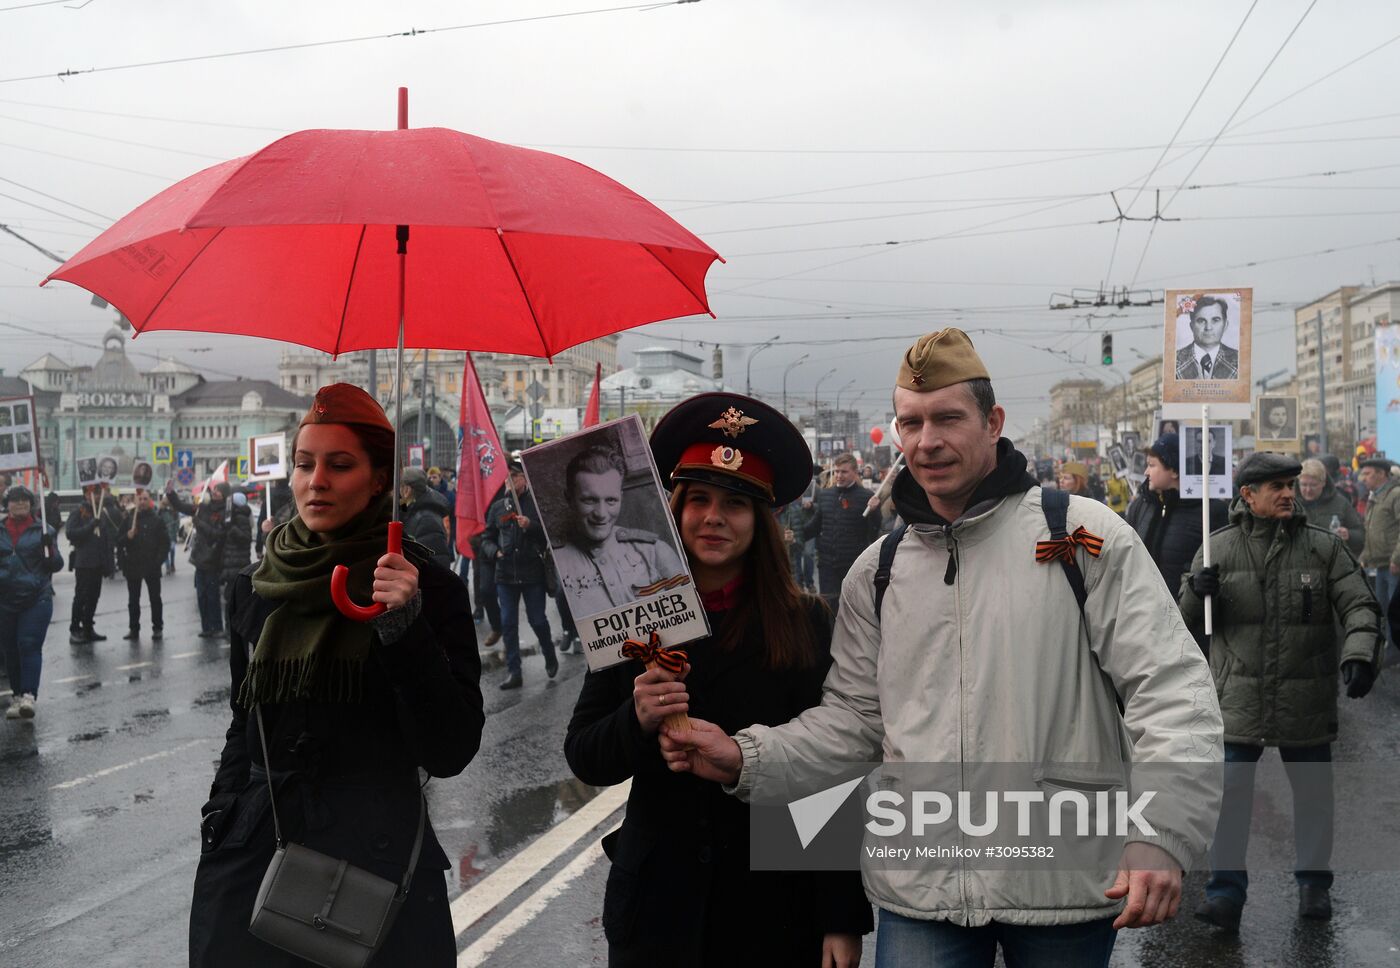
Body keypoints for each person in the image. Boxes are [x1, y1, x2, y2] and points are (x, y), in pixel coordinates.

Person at [658, 329, 1223, 966]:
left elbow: (1170, 689)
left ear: (993, 422)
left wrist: (1161, 832)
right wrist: (744, 756)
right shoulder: (879, 569)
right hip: (922, 896)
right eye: (911, 422)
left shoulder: (1083, 537)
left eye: (948, 418)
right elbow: (853, 722)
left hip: (1064, 880)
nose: (928, 441)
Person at [564, 392, 872, 967]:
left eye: (735, 503)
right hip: (658, 910)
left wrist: (840, 915)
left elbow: (832, 771)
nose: (713, 517)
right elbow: (585, 756)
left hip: (773, 907)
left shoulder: (806, 621)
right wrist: (638, 717)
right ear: (675, 510)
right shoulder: (631, 615)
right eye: (698, 499)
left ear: (762, 520)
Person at [188, 383, 484, 967]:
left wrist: (405, 629)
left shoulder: (427, 587)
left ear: (379, 480)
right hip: (255, 861)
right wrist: (221, 817)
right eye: (304, 463)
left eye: (339, 465)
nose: (315, 480)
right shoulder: (253, 586)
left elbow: (450, 747)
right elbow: (242, 725)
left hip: (374, 874)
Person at [1180, 453, 1380, 931]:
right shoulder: (1217, 550)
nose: (1288, 493)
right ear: (1248, 495)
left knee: (1313, 797)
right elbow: (1183, 623)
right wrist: (1194, 591)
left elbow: (1359, 604)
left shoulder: (1322, 548)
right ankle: (1225, 893)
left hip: (1304, 696)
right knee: (1228, 799)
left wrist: (1360, 653)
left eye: (1291, 484)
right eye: (1276, 487)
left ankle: (1314, 885)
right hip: (1237, 697)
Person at [550, 443, 687, 618]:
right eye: (589, 500)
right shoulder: (557, 562)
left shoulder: (655, 551)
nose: (601, 514)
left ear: (621, 498)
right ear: (569, 499)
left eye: (611, 500)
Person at [1124, 433, 1228, 598]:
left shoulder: (1211, 510)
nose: (1145, 472)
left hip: (1188, 614)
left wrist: (1198, 588)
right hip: (1146, 612)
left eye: (1152, 465)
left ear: (1174, 470)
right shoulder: (1140, 506)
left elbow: (1225, 569)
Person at [481, 463, 557, 690]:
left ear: (524, 479)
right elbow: (487, 538)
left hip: (532, 573)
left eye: (514, 477)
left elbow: (550, 534)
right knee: (508, 624)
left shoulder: (536, 504)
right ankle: (514, 672)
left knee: (538, 620)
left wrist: (531, 526)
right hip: (505, 574)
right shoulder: (497, 508)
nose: (510, 482)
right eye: (508, 478)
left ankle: (549, 652)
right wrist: (493, 551)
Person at [1, 485, 63, 720]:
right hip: (5, 598)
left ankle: (29, 695)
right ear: (7, 504)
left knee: (28, 644)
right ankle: (17, 696)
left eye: (24, 501)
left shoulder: (43, 529)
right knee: (10, 649)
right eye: (14, 501)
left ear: (31, 504)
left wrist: (49, 548)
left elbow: (56, 565)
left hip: (36, 597)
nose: (19, 504)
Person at [803, 452, 880, 612]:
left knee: (853, 609)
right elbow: (815, 526)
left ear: (854, 472)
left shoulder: (866, 497)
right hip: (827, 564)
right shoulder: (825, 495)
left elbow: (873, 533)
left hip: (854, 564)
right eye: (837, 471)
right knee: (829, 609)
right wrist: (794, 534)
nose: (839, 475)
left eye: (844, 472)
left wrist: (874, 512)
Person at [168, 481, 231, 638]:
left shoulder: (225, 513)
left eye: (218, 491)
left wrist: (200, 524)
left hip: (213, 560)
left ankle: (216, 627)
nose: (215, 493)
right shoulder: (203, 508)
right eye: (214, 490)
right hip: (200, 559)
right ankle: (206, 627)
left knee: (212, 595)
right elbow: (182, 507)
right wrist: (171, 494)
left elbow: (217, 534)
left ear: (224, 495)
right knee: (201, 595)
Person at [65, 484, 121, 644]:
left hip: (98, 562)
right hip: (84, 562)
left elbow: (105, 539)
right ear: (85, 495)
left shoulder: (101, 512)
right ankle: (75, 629)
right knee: (81, 597)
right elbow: (71, 533)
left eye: (98, 493)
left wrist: (108, 563)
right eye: (93, 493)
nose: (96, 496)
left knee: (93, 597)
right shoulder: (78, 511)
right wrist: (91, 525)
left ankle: (88, 628)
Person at [1357, 456, 1400, 650]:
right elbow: (1371, 531)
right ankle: (1389, 649)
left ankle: (1394, 652)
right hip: (1378, 564)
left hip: (1393, 565)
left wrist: (1397, 558)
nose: (1362, 478)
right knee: (1383, 610)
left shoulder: (1395, 494)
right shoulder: (1375, 496)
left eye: (1367, 474)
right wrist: (1364, 558)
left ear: (1382, 474)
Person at [116, 489, 171, 641]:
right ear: (135, 500)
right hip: (133, 565)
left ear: (149, 500)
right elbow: (118, 540)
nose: (142, 502)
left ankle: (157, 628)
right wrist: (128, 536)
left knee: (155, 599)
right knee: (133, 600)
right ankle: (134, 629)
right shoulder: (128, 519)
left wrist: (158, 561)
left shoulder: (156, 519)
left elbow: (164, 543)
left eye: (145, 499)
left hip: (151, 566)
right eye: (139, 499)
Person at [1297, 458, 1364, 558]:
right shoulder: (1289, 503)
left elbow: (1361, 535)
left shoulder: (1340, 503)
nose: (1308, 490)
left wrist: (1349, 535)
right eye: (1303, 485)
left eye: (1313, 485)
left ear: (1323, 483)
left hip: (1332, 566)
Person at [1174, 295, 1240, 380]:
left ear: (1225, 325)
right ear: (1191, 326)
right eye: (1201, 321)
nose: (1208, 327)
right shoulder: (1174, 360)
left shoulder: (1239, 360)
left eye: (1215, 320)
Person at [400, 466, 453, 570]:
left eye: (399, 487)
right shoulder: (410, 511)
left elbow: (437, 563)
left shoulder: (427, 519)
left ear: (407, 489)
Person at [220, 491, 253, 624]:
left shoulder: (241, 518)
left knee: (235, 600)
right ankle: (232, 628)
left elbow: (246, 538)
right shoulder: (234, 517)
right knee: (232, 599)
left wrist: (231, 528)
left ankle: (234, 630)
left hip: (238, 566)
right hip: (233, 566)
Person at [158, 493, 181, 575]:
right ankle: (168, 566)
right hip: (164, 534)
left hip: (171, 534)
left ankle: (172, 564)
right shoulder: (161, 511)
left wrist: (176, 530)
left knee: (171, 550)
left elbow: (177, 522)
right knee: (166, 551)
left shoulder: (174, 510)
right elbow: (157, 520)